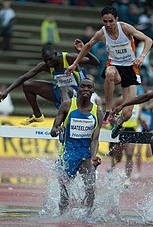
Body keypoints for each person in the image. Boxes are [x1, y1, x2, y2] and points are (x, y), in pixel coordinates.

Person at [65, 6, 152, 139]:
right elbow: (88, 46)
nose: (108, 25)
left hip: (131, 68)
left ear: (116, 19)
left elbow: (148, 40)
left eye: (111, 21)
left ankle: (119, 123)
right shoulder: (102, 33)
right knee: (109, 73)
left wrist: (142, 56)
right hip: (115, 67)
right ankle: (108, 108)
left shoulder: (125, 28)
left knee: (128, 114)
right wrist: (75, 63)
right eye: (105, 21)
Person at [0, 39, 100, 125]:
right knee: (27, 85)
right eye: (45, 60)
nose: (48, 63)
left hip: (79, 92)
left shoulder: (68, 58)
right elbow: (23, 78)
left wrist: (84, 51)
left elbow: (96, 63)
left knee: (63, 89)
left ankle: (66, 120)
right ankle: (37, 115)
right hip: (61, 93)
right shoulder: (45, 65)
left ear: (56, 54)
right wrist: (6, 91)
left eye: (50, 59)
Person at [50, 78, 103, 214]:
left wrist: (93, 157)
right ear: (78, 89)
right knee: (65, 192)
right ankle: (62, 216)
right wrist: (57, 130)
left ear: (93, 91)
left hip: (85, 155)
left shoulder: (97, 113)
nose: (85, 89)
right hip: (68, 153)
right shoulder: (67, 106)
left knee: (90, 189)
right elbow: (53, 130)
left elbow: (95, 139)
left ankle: (88, 216)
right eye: (83, 87)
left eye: (89, 87)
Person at [112, 90, 153, 154]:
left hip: (133, 128)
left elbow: (138, 117)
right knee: (119, 156)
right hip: (122, 128)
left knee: (129, 153)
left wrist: (144, 125)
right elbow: (147, 96)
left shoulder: (139, 104)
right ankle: (114, 162)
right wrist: (123, 105)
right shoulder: (121, 99)